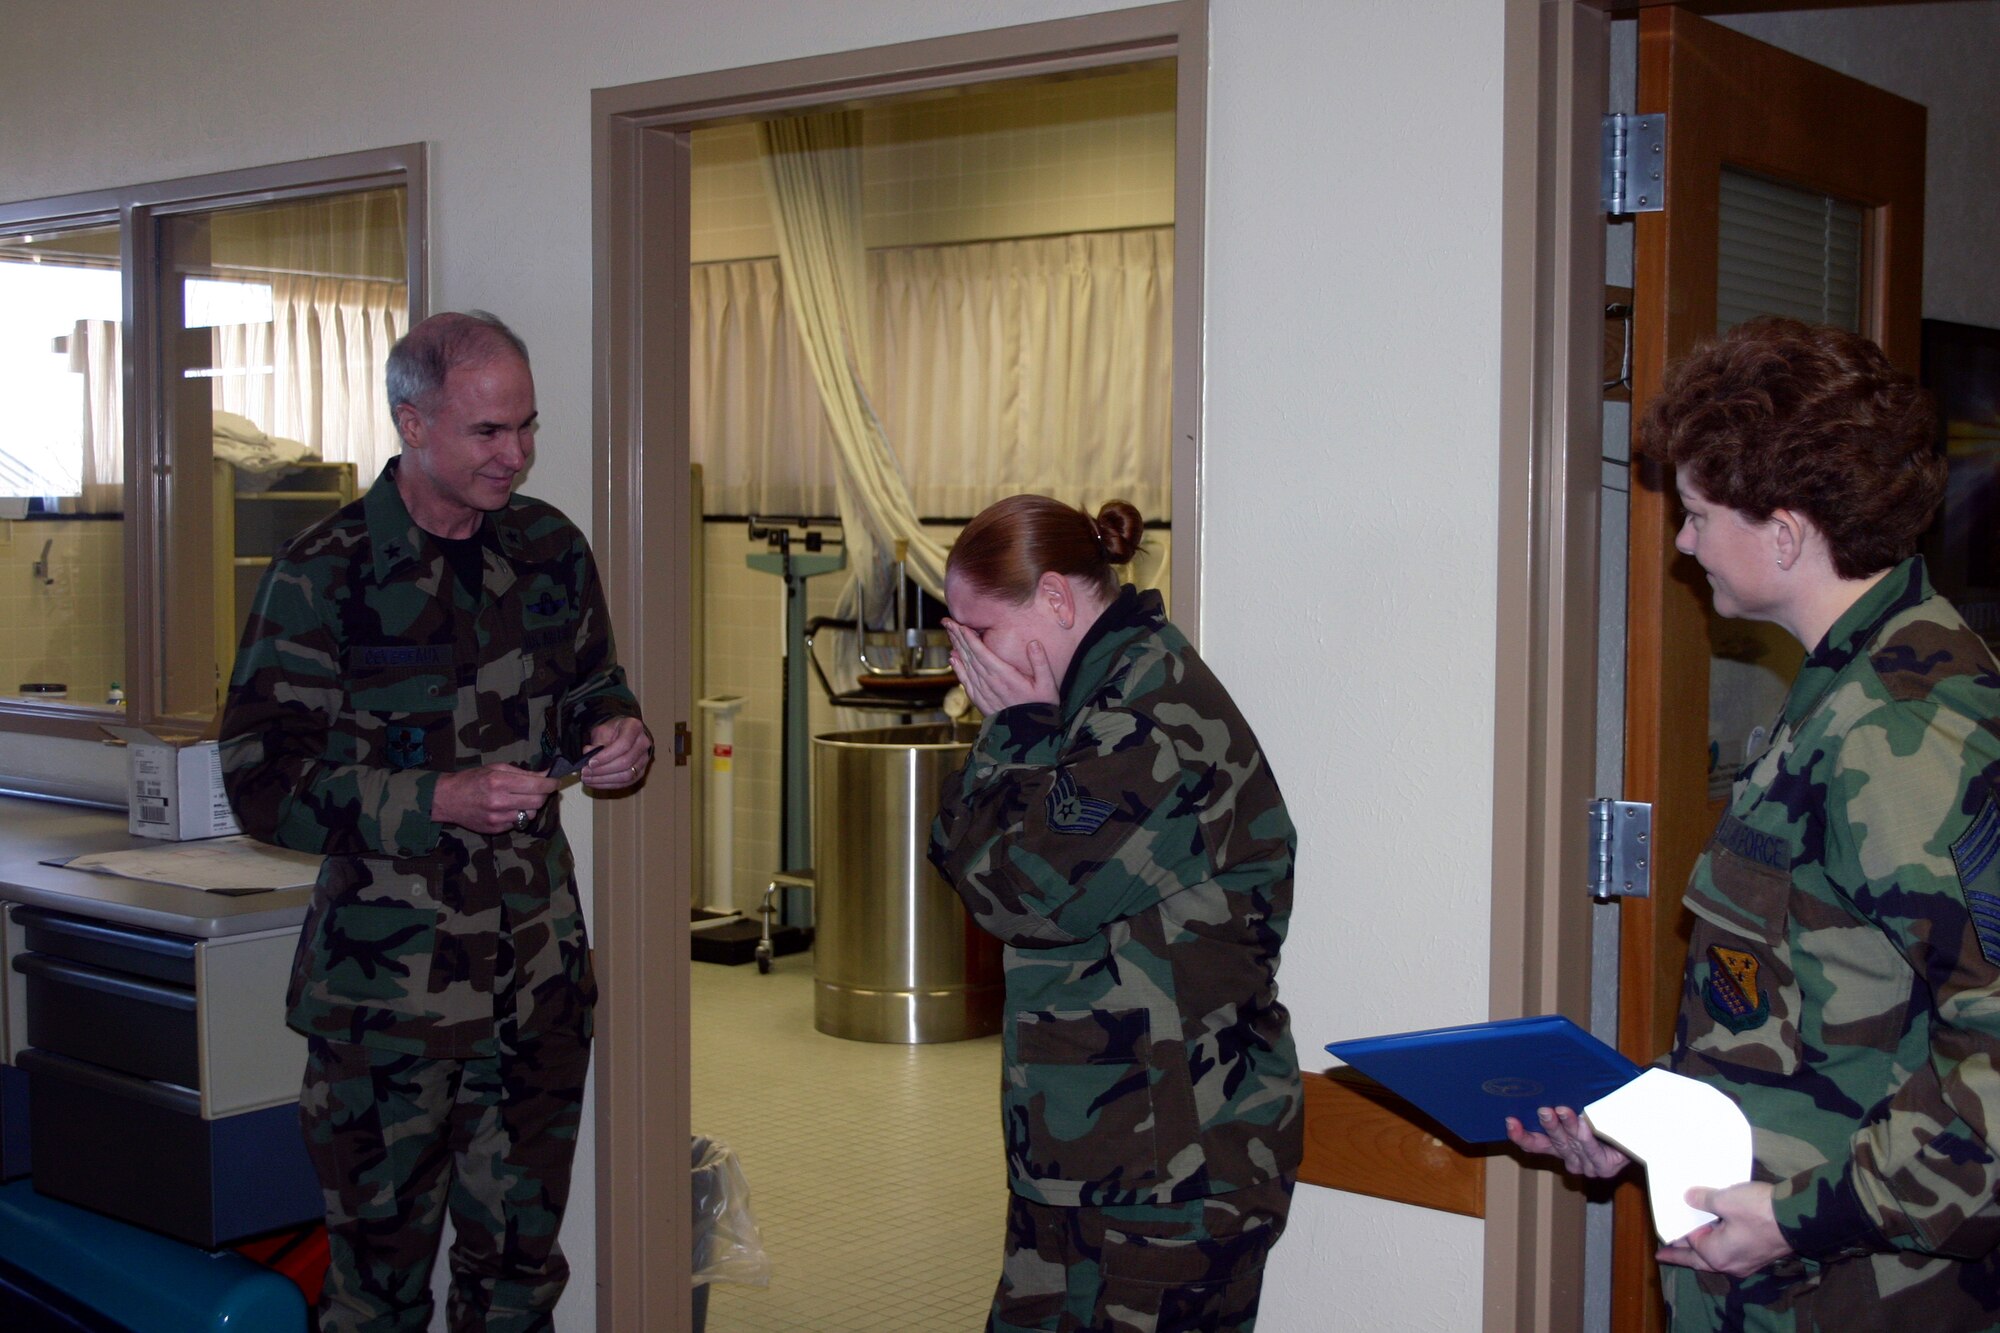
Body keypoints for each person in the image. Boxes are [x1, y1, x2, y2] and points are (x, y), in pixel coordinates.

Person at [1507, 318, 2000, 1330]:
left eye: (1693, 513)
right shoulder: (1841, 688)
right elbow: (1812, 1009)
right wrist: (1638, 1124)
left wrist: (1795, 1215)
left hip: (1857, 1291)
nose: (1682, 543)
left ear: (1782, 533)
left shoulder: (1903, 732)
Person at [219, 310, 652, 1333]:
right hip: (385, 1013)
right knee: (378, 1295)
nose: (517, 454)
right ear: (412, 423)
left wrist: (617, 730)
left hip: (534, 993)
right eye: (488, 433)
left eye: (526, 428)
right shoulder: (323, 575)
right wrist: (435, 800)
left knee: (516, 1286)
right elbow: (261, 780)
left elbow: (593, 678)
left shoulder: (548, 548)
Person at [926, 495, 1301, 1333]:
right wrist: (1019, 730)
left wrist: (1017, 730)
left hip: (1175, 1174)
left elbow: (1016, 891)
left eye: (978, 634)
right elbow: (954, 841)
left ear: (1058, 600)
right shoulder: (1082, 703)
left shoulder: (1150, 716)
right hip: (1090, 1161)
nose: (965, 662)